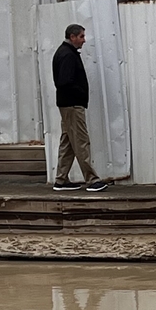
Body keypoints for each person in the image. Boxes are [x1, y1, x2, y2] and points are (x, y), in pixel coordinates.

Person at [51, 23, 110, 191]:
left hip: (67, 104)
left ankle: (61, 179)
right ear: (72, 37)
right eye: (81, 36)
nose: (84, 40)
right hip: (72, 105)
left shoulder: (65, 52)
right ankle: (91, 179)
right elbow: (64, 81)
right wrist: (80, 93)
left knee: (68, 142)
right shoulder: (67, 55)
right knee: (81, 141)